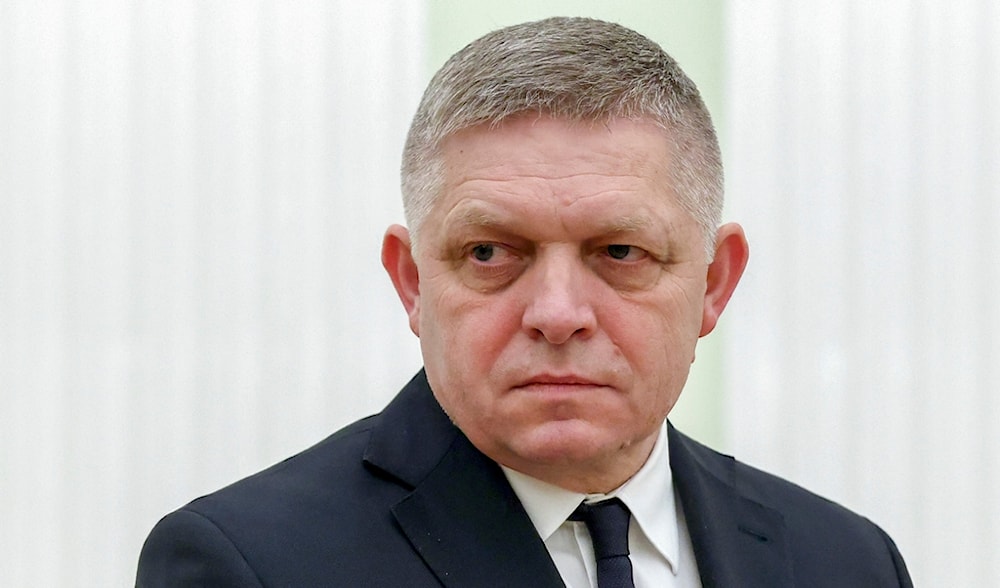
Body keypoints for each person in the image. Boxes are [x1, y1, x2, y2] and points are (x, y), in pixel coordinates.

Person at [136, 17, 912, 587]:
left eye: (619, 253)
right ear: (412, 283)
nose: (557, 312)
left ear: (714, 283)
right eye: (490, 254)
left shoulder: (847, 562)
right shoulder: (248, 564)